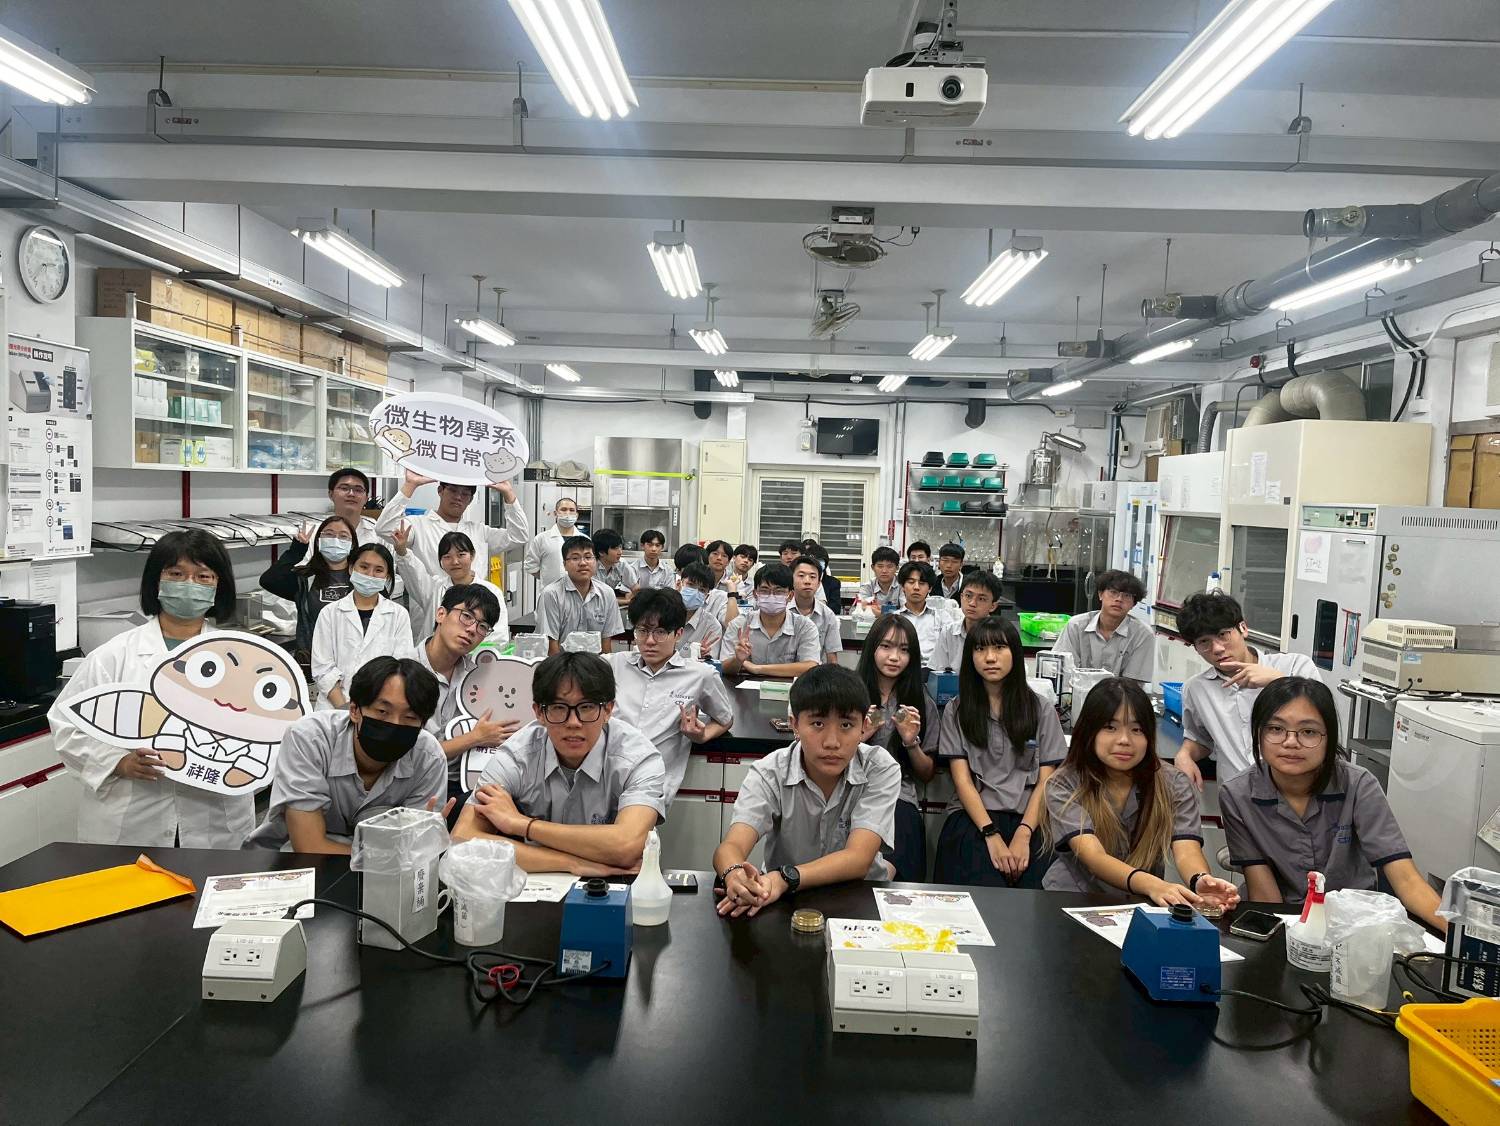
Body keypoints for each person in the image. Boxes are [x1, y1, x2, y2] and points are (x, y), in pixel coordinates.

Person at [50, 529, 251, 847]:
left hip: (215, 813)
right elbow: (66, 724)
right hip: (134, 815)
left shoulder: (242, 658)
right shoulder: (114, 655)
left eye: (203, 576)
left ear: (219, 586)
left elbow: (267, 730)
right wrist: (117, 761)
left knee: (212, 877)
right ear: (156, 582)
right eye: (176, 574)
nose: (189, 584)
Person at [1222, 677, 1445, 932]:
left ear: (1329, 738)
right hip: (1282, 922)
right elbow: (1265, 895)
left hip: (1354, 924)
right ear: (1258, 734)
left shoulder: (1358, 785)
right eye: (1275, 729)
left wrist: (1460, 936)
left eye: (1308, 732)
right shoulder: (1237, 794)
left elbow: (1407, 880)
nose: (1291, 742)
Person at [451, 652, 667, 875]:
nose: (573, 723)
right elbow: (462, 839)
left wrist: (522, 824)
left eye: (587, 707)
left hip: (618, 882)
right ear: (539, 712)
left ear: (608, 710)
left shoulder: (638, 758)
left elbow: (626, 845)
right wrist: (571, 864)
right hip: (542, 880)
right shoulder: (517, 756)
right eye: (558, 708)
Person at [712, 665, 900, 917]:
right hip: (785, 900)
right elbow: (732, 845)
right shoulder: (770, 771)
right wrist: (735, 875)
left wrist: (784, 878)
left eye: (846, 725)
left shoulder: (880, 768)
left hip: (858, 897)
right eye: (818, 723)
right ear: (795, 725)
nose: (832, 742)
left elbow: (859, 858)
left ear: (864, 727)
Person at [1041, 677, 1240, 911]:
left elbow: (1186, 849)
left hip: (1143, 903)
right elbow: (1093, 857)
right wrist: (1152, 884)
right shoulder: (1065, 783)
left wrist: (1200, 881)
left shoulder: (1173, 782)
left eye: (1137, 730)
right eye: (1110, 727)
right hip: (1072, 899)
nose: (1124, 740)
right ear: (1088, 731)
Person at [245, 657, 448, 852]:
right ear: (354, 710)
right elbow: (310, 847)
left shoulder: (428, 758)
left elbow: (416, 846)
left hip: (383, 870)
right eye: (382, 712)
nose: (395, 724)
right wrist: (391, 856)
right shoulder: (309, 739)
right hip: (291, 861)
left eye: (410, 717)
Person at [933, 617, 1065, 888]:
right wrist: (990, 834)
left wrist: (1024, 834)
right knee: (981, 890)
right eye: (980, 649)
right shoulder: (956, 710)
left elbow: (1046, 781)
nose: (990, 658)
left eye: (999, 648)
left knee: (1037, 894)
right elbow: (963, 781)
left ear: (1015, 653)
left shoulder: (1040, 709)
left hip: (1030, 818)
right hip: (974, 818)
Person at [1173, 592, 1319, 789]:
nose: (1217, 648)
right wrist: (1184, 754)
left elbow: (1321, 721)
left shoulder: (1296, 666)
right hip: (1237, 796)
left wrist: (1278, 681)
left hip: (1297, 789)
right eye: (1204, 642)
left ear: (1243, 628)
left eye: (1223, 635)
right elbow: (1201, 740)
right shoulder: (1196, 689)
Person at [609, 588, 734, 806]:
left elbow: (725, 718)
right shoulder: (613, 664)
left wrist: (702, 735)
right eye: (642, 631)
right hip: (604, 780)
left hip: (651, 788)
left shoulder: (700, 675)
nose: (649, 641)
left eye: (660, 632)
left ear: (678, 634)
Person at [415, 584, 519, 799]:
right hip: (414, 783)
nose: (472, 629)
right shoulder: (403, 673)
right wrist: (475, 737)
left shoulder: (478, 676)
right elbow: (413, 756)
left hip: (465, 781)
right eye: (467, 616)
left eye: (483, 626)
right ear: (441, 614)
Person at [856, 615, 937, 882]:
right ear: (872, 648)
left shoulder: (919, 701)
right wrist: (859, 737)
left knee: (899, 853)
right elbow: (826, 757)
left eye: (904, 650)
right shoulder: (851, 694)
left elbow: (926, 774)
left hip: (899, 797)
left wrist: (911, 742)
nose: (894, 657)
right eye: (886, 646)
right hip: (852, 792)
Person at [374, 467, 529, 587]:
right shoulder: (418, 525)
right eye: (453, 490)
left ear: (470, 499)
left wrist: (509, 494)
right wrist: (410, 485)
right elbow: (384, 528)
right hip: (432, 611)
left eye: (465, 494)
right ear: (440, 491)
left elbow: (519, 537)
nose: (458, 497)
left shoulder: (479, 531)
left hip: (474, 611)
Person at [310, 543, 415, 710]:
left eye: (379, 570)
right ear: (351, 568)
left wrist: (373, 708)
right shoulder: (329, 613)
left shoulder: (398, 615)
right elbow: (322, 668)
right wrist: (344, 707)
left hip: (379, 707)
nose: (370, 574)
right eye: (364, 567)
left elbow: (401, 665)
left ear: (387, 576)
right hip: (333, 707)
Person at [260, 514, 358, 657]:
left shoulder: (363, 577)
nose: (336, 540)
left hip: (355, 657)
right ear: (318, 542)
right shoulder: (305, 579)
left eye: (343, 536)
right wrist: (297, 550)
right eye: (329, 534)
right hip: (312, 658)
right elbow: (268, 580)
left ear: (352, 544)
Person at [394, 529, 509, 645]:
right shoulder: (435, 588)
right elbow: (413, 573)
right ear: (440, 561)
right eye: (447, 557)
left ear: (472, 555)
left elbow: (497, 637)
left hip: (475, 654)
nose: (455, 562)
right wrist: (402, 551)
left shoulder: (491, 592)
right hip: (434, 654)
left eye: (461, 555)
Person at [1050, 569, 1154, 683]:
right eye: (1113, 592)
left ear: (1133, 604)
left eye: (1127, 595)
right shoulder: (1076, 626)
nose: (1119, 599)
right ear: (1100, 594)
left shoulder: (1143, 634)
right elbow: (1060, 669)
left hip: (1121, 694)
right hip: (1076, 691)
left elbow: (1133, 684)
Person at [718, 563, 820, 678]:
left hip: (791, 688)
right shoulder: (739, 624)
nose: (771, 596)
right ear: (755, 594)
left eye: (779, 591)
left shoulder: (805, 626)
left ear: (790, 595)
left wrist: (758, 668)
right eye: (764, 590)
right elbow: (723, 667)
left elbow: (810, 666)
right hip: (743, 687)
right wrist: (738, 660)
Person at [536, 535, 626, 656]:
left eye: (588, 557)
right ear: (564, 564)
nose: (583, 563)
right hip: (561, 663)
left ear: (596, 561)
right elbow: (551, 646)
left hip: (594, 664)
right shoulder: (551, 594)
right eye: (575, 558)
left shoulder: (607, 593)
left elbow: (606, 645)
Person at [931, 570, 1005, 673]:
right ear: (961, 597)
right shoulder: (949, 632)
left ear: (993, 606)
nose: (972, 603)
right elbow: (939, 672)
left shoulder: (1002, 636)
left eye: (981, 599)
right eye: (968, 596)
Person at [789, 555, 842, 664]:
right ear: (791, 580)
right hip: (781, 671)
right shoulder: (781, 611)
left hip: (814, 671)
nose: (807, 581)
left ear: (818, 584)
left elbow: (832, 659)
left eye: (812, 577)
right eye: (801, 576)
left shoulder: (827, 615)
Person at [524, 495, 580, 594]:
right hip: (549, 595)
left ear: (577, 515)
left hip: (578, 594)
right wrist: (547, 577)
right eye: (563, 509)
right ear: (555, 513)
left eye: (572, 510)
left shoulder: (584, 539)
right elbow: (531, 567)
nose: (568, 513)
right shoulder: (541, 539)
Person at [897, 561, 944, 667]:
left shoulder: (942, 618)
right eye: (911, 582)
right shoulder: (894, 619)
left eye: (922, 583)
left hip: (933, 671)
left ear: (930, 588)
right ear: (902, 586)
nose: (916, 587)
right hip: (902, 670)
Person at [676, 562, 724, 660]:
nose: (695, 592)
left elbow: (709, 664)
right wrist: (692, 654)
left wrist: (702, 656)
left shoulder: (712, 626)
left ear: (707, 595)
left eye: (702, 590)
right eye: (691, 585)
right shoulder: (661, 614)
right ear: (679, 583)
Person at [325, 467, 381, 544]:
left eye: (358, 490)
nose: (351, 494)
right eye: (344, 488)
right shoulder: (319, 530)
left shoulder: (377, 531)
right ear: (331, 494)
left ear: (366, 498)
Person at [592, 529, 637, 605]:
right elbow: (598, 599)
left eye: (620, 547)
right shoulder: (591, 566)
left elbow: (636, 588)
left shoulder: (621, 564)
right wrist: (627, 602)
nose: (620, 552)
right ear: (601, 552)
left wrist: (634, 598)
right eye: (615, 548)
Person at [802, 539, 842, 606]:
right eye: (814, 560)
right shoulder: (799, 580)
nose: (817, 563)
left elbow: (835, 608)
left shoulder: (833, 583)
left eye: (820, 560)